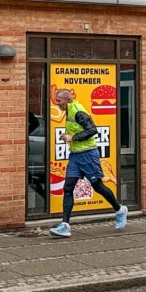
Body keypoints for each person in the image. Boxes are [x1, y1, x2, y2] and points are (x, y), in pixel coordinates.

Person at [49, 88, 127, 237]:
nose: (56, 103)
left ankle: (119, 209)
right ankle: (65, 225)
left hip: (88, 155)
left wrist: (73, 138)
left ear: (67, 100)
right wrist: (68, 136)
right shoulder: (69, 110)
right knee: (68, 187)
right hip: (75, 156)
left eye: (58, 101)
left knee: (97, 186)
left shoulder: (78, 111)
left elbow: (92, 130)